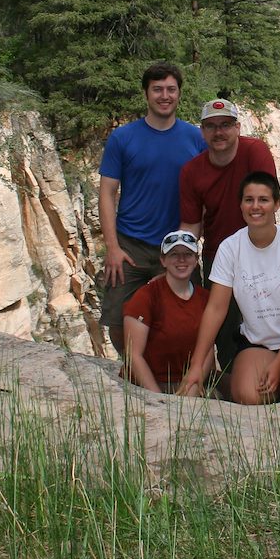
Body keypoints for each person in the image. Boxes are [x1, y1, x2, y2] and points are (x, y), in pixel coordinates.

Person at [176, 171, 280, 405]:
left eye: (263, 200)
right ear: (241, 205)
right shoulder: (230, 249)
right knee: (250, 395)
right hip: (259, 341)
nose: (255, 206)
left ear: (276, 204)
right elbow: (216, 309)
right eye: (249, 200)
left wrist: (278, 365)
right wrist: (197, 367)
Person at [98, 62, 205, 354]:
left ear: (179, 94)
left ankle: (181, 376)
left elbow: (205, 190)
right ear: (146, 93)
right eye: (157, 89)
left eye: (171, 89)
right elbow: (107, 193)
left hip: (177, 245)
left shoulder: (194, 138)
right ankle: (133, 372)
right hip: (129, 244)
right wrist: (112, 247)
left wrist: (193, 239)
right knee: (119, 317)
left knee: (185, 317)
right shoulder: (123, 138)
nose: (164, 95)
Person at [178, 97, 277, 371]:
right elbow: (191, 225)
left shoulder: (255, 152)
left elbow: (264, 206)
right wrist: (177, 254)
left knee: (268, 322)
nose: (218, 132)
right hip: (218, 259)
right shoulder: (192, 172)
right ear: (202, 131)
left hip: (261, 253)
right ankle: (236, 385)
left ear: (238, 128)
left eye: (225, 125)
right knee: (225, 333)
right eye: (211, 126)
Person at [121, 230, 214, 393]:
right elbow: (133, 355)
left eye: (187, 254)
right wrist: (159, 400)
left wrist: (189, 393)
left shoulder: (205, 299)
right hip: (148, 384)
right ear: (163, 261)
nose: (181, 260)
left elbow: (208, 351)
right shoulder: (146, 296)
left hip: (188, 382)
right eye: (174, 254)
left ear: (196, 260)